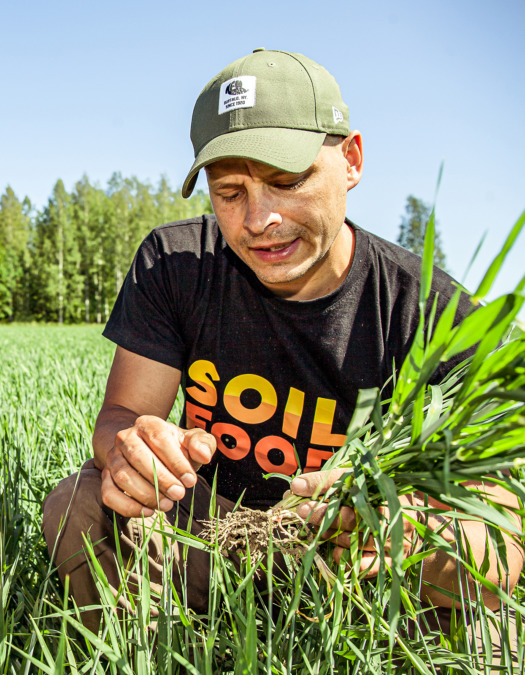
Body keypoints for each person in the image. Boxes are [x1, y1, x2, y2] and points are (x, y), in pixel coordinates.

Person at [41, 49, 522, 633]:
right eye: (230, 192)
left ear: (351, 160)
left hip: (355, 564)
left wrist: (398, 527)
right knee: (82, 505)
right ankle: (162, 649)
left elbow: (501, 542)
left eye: (286, 181)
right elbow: (121, 415)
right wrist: (133, 451)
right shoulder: (177, 263)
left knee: (469, 606)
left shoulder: (431, 310)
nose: (258, 219)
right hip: (214, 531)